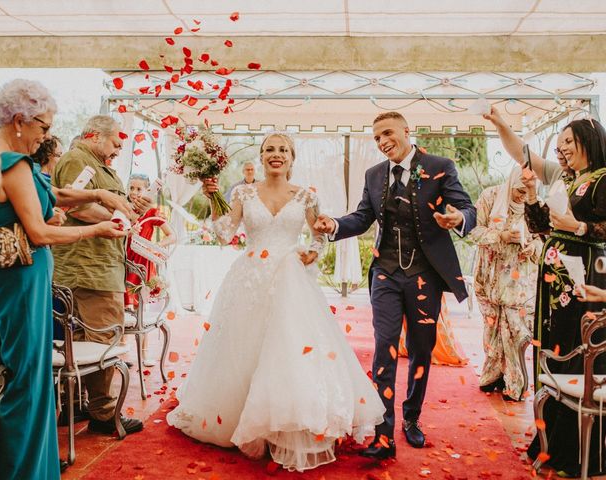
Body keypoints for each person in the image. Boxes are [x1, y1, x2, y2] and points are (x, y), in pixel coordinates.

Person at [167, 133, 385, 472]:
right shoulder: (243, 192)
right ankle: (244, 418)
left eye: (283, 149)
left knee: (289, 350)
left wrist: (314, 252)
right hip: (249, 279)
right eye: (270, 149)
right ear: (262, 156)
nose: (276, 155)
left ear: (292, 157)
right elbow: (226, 233)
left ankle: (288, 420)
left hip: (290, 280)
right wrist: (213, 199)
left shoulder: (306, 195)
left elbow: (320, 233)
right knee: (244, 349)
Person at [0, 79, 128, 480]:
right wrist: (96, 230)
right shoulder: (13, 163)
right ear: (19, 121)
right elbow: (39, 233)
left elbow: (49, 193)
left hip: (14, 279)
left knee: (30, 377)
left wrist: (96, 197)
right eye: (43, 126)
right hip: (20, 281)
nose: (46, 135)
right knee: (29, 382)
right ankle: (23, 472)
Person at [315, 111, 476, 459]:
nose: (382, 141)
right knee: (384, 346)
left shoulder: (440, 165)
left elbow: (466, 206)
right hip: (386, 273)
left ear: (406, 131)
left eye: (387, 133)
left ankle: (412, 418)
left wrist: (459, 217)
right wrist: (335, 225)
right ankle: (383, 432)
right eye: (376, 138)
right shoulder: (374, 175)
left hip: (424, 275)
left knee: (421, 347)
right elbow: (363, 216)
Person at [52, 115, 149, 436]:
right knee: (103, 336)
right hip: (88, 269)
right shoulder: (77, 160)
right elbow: (75, 207)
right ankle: (103, 412)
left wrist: (129, 206)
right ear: (94, 135)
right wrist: (119, 214)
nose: (119, 148)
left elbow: (107, 207)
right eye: (115, 142)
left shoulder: (92, 163)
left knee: (89, 338)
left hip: (97, 265)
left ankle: (83, 403)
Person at [524, 118, 606, 477]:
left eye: (569, 141)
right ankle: (550, 442)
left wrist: (581, 227)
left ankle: (573, 450)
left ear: (588, 139)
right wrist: (530, 195)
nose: (563, 148)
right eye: (560, 143)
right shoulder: (570, 180)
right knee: (555, 347)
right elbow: (542, 227)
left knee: (576, 350)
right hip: (556, 277)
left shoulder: (603, 178)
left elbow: (590, 227)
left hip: (585, 274)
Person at [468, 167, 542, 401]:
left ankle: (516, 382)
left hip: (518, 283)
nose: (521, 196)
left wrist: (534, 247)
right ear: (511, 182)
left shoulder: (535, 204)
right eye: (519, 190)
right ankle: (494, 375)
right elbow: (473, 231)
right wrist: (501, 236)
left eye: (526, 191)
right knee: (492, 329)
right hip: (489, 278)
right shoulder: (490, 197)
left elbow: (545, 238)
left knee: (515, 331)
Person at [124, 173, 176, 366]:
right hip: (123, 259)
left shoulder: (152, 212)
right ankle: (121, 347)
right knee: (121, 304)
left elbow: (172, 235)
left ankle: (143, 354)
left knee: (139, 307)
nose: (135, 193)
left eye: (139, 189)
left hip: (142, 263)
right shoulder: (124, 208)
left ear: (147, 190)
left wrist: (154, 246)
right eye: (132, 188)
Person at [483, 106, 573, 186]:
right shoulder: (558, 172)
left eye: (565, 150)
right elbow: (522, 154)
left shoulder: (585, 181)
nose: (559, 156)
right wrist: (499, 123)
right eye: (558, 151)